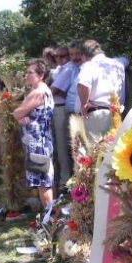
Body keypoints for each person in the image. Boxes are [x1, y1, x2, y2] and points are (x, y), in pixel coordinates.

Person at [13, 59, 55, 208]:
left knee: (42, 180)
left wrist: (21, 115)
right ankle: (49, 216)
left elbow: (17, 113)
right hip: (41, 139)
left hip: (37, 142)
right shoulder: (44, 91)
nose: (26, 75)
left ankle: (51, 218)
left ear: (41, 75)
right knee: (42, 179)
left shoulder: (38, 92)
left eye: (30, 73)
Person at [76, 39, 125, 145]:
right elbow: (126, 59)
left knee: (96, 153)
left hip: (97, 116)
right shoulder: (119, 63)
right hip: (116, 114)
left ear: (83, 56)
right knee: (114, 151)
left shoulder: (89, 66)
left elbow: (82, 84)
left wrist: (84, 104)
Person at [48, 43, 82, 188]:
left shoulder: (68, 68)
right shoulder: (61, 69)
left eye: (62, 56)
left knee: (63, 147)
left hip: (61, 109)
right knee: (60, 146)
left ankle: (65, 181)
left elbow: (52, 90)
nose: (59, 59)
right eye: (56, 56)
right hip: (59, 107)